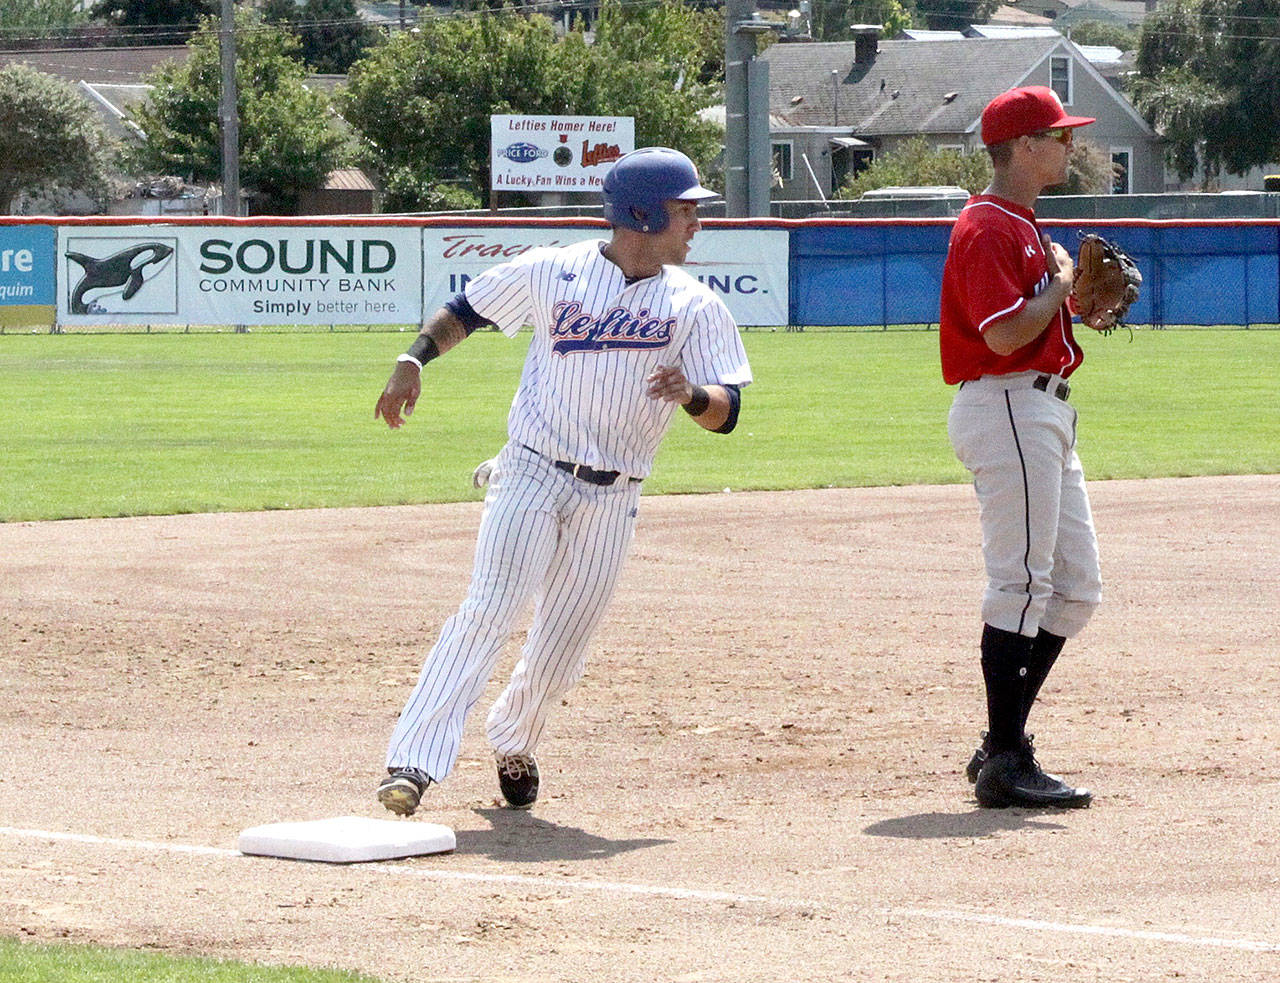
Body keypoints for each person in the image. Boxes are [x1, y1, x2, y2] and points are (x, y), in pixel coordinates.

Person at [372, 147, 752, 815]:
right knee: (488, 609)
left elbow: (728, 413)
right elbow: (467, 310)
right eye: (685, 210)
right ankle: (413, 760)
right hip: (532, 471)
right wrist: (414, 357)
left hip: (616, 494)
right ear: (641, 213)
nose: (696, 222)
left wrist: (691, 393)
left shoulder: (694, 304)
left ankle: (514, 739)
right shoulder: (555, 271)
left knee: (562, 644)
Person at [939, 86, 1107, 809]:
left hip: (1038, 408)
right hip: (1007, 401)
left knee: (1074, 588)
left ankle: (1000, 741)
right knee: (1023, 583)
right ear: (1025, 146)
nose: (1071, 146)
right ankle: (1007, 756)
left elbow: (1031, 324)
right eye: (1060, 136)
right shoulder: (987, 226)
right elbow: (1002, 335)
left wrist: (1074, 309)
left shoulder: (1024, 224)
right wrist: (1062, 285)